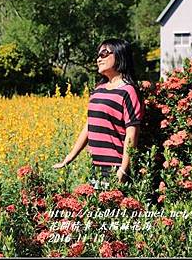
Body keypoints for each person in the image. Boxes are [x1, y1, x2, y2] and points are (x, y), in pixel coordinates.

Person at [53, 38, 143, 189]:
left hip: (116, 167)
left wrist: (123, 170)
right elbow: (90, 125)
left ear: (120, 55)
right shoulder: (98, 90)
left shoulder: (128, 91)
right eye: (98, 55)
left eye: (104, 53)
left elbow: (132, 133)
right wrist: (69, 157)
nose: (98, 58)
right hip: (95, 166)